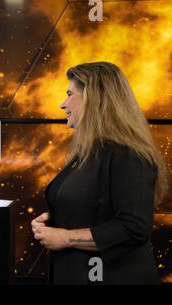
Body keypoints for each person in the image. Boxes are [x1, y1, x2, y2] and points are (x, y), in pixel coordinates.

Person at [31, 62, 168, 284]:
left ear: (94, 99)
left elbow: (134, 228)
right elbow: (87, 210)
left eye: (69, 94)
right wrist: (50, 224)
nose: (63, 104)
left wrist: (65, 238)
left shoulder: (128, 155)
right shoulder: (89, 152)